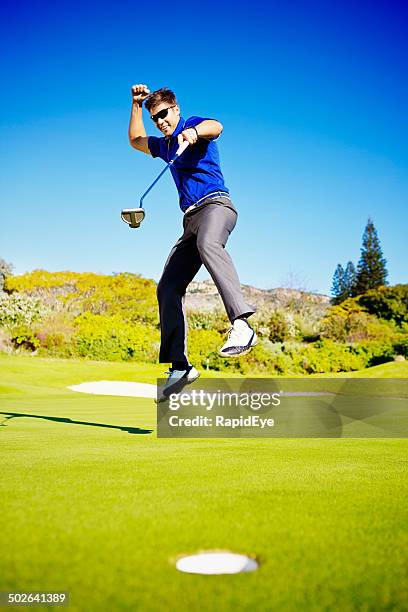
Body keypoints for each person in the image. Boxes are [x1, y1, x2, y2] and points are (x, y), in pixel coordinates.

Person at [128, 84, 257, 396]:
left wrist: (195, 134)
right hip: (191, 220)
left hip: (217, 205)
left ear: (176, 109)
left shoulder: (190, 125)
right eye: (154, 117)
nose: (159, 121)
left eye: (163, 114)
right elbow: (135, 140)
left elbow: (217, 127)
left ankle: (242, 325)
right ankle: (180, 366)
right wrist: (136, 105)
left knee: (208, 244)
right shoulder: (165, 145)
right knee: (168, 287)